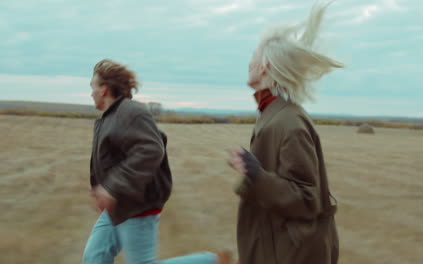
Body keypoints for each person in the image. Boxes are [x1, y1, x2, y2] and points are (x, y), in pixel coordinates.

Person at [84, 59, 231, 264]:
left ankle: (213, 261)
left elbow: (152, 149)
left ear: (104, 90)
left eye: (92, 87)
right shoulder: (111, 117)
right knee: (94, 258)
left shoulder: (130, 112)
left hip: (137, 203)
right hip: (118, 204)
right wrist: (103, 189)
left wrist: (111, 188)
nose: (90, 93)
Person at [228, 3, 343, 264]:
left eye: (253, 55)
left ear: (265, 66)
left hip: (291, 254)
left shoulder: (289, 122)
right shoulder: (272, 115)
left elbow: (306, 198)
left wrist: (256, 175)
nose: (249, 62)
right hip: (274, 247)